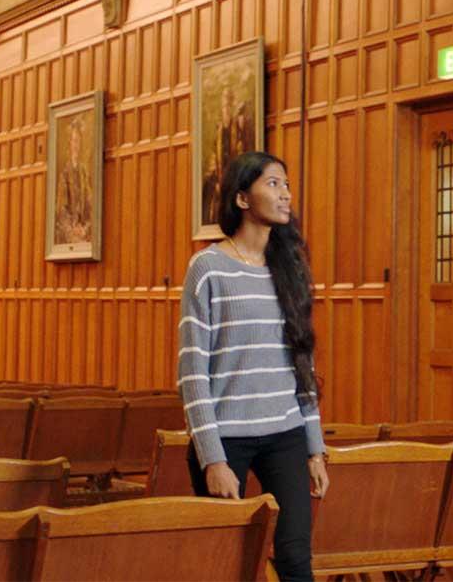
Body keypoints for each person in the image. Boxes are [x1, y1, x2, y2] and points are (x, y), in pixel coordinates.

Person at [178, 151, 329, 582]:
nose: (286, 194)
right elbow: (192, 373)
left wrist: (314, 447)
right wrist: (213, 459)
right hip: (227, 440)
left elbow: (303, 360)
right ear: (243, 199)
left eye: (286, 185)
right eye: (273, 184)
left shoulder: (289, 269)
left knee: (297, 559)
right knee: (227, 565)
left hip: (284, 433)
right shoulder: (207, 268)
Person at [55, 117, 92, 244]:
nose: (76, 145)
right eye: (74, 141)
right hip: (68, 231)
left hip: (82, 230)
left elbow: (89, 204)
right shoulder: (64, 173)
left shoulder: (83, 172)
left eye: (78, 141)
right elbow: (61, 210)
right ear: (69, 143)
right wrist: (72, 229)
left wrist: (85, 228)